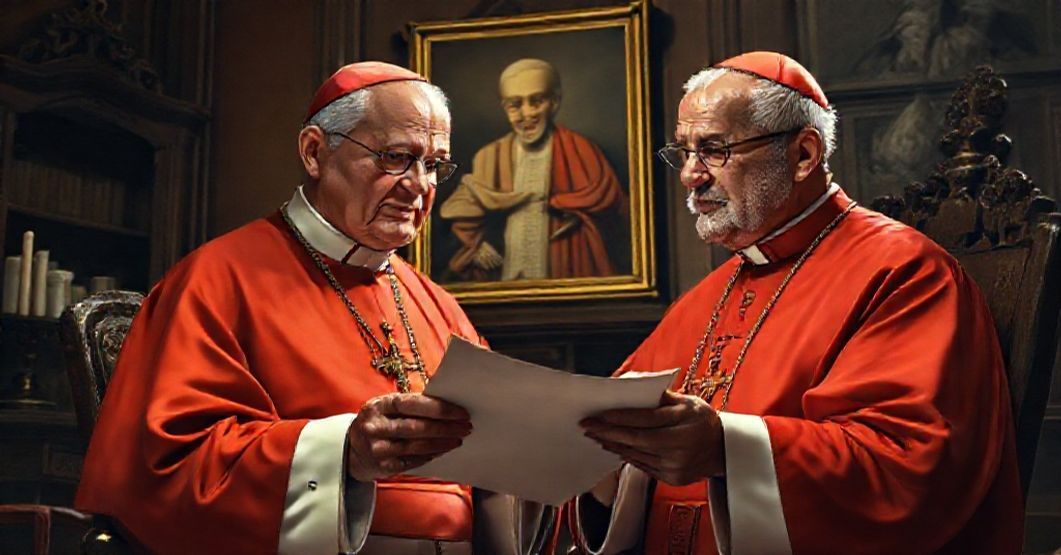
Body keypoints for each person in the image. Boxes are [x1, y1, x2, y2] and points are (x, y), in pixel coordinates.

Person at [76, 62, 550, 554]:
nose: (419, 185)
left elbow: (499, 471)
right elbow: (166, 468)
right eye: (395, 157)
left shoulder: (439, 306)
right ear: (315, 152)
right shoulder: (216, 280)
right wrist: (345, 453)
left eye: (434, 165)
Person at [571, 51, 1023, 554]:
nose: (690, 175)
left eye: (714, 149)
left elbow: (909, 468)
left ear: (804, 155)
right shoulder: (711, 293)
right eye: (684, 152)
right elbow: (601, 435)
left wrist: (725, 448)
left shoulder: (904, 273)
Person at [438, 58, 626, 281]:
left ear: (554, 102)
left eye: (536, 101)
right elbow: (464, 208)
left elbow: (609, 204)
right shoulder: (489, 156)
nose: (527, 114)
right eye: (515, 105)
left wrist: (575, 212)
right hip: (504, 275)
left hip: (566, 270)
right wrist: (475, 245)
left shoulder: (582, 151)